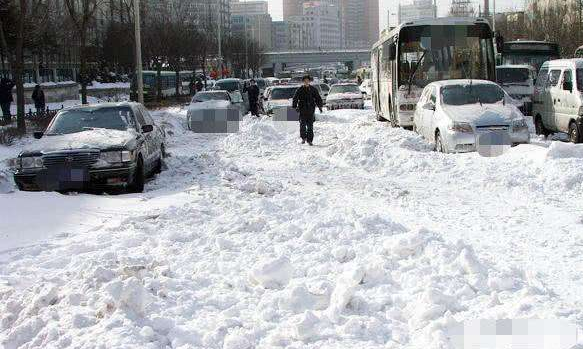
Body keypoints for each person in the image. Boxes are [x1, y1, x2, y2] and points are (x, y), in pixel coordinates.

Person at [292, 75, 323, 146]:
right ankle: (303, 138)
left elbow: (318, 98)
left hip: (310, 110)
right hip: (302, 110)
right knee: (302, 125)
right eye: (305, 81)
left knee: (310, 126)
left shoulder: (313, 89)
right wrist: (295, 106)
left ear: (309, 81)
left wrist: (320, 107)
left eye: (307, 81)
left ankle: (310, 140)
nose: (306, 82)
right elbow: (295, 98)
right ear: (303, 82)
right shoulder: (299, 90)